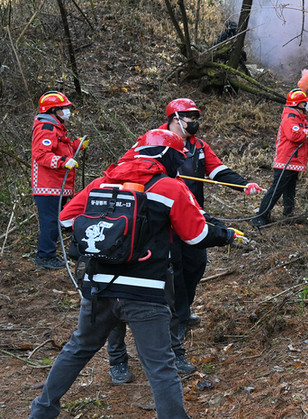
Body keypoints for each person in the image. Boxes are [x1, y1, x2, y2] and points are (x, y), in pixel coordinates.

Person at [29, 129, 244, 419]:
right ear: (169, 158)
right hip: (145, 291)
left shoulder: (103, 181)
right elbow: (196, 236)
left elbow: (65, 219)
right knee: (160, 366)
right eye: (179, 160)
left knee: (77, 349)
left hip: (98, 288)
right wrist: (227, 235)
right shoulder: (169, 187)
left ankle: (41, 411)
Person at [106, 98, 263, 383]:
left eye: (196, 116)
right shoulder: (151, 142)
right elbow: (123, 170)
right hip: (152, 226)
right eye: (190, 116)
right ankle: (130, 354)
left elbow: (217, 170)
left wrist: (243, 184)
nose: (194, 121)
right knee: (160, 280)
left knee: (194, 264)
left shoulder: (199, 147)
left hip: (190, 216)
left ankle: (182, 311)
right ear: (175, 118)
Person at [254, 88, 308, 227]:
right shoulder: (290, 118)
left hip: (294, 162)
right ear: (299, 104)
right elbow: (296, 135)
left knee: (290, 189)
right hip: (285, 161)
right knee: (276, 190)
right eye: (304, 102)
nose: (306, 105)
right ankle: (260, 217)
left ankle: (288, 214)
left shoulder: (300, 120)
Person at [30, 91, 86, 270]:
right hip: (47, 186)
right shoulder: (46, 128)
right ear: (53, 110)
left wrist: (76, 145)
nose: (67, 112)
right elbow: (41, 155)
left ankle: (48, 254)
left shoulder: (56, 128)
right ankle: (45, 256)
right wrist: (63, 162)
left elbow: (61, 148)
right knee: (51, 221)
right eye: (64, 109)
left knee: (57, 220)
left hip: (57, 186)